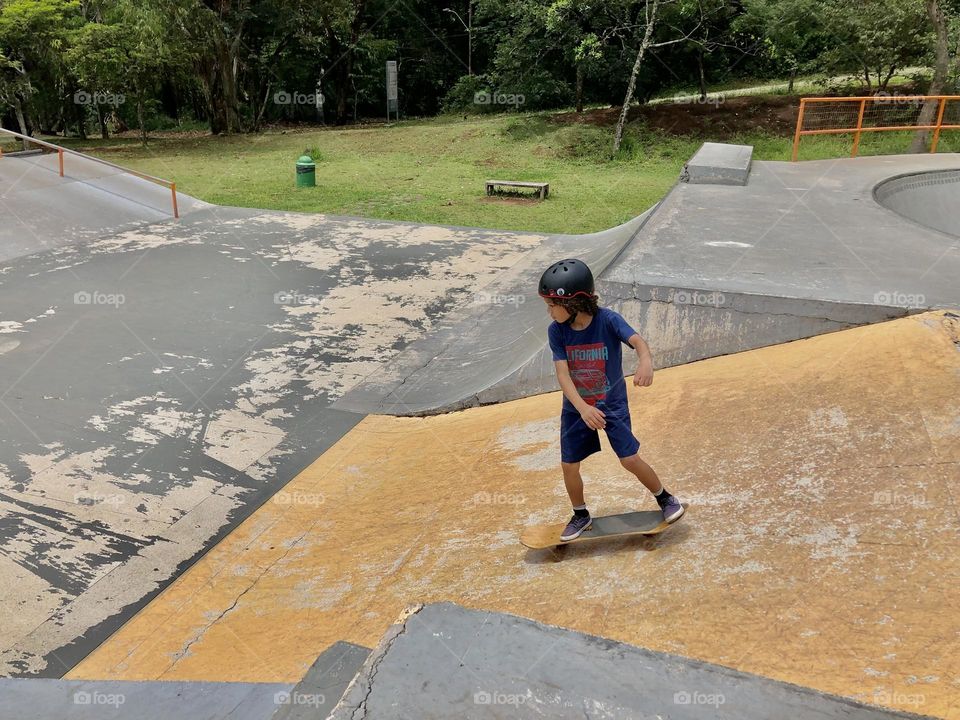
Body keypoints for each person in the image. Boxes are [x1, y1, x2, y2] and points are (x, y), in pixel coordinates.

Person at [540, 258, 683, 541]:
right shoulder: (557, 331)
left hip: (611, 404)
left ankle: (665, 498)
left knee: (629, 459)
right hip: (576, 408)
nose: (548, 311)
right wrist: (582, 408)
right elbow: (563, 375)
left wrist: (645, 361)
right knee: (569, 464)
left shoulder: (608, 320)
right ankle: (580, 515)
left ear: (573, 303)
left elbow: (638, 342)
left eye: (551, 305)